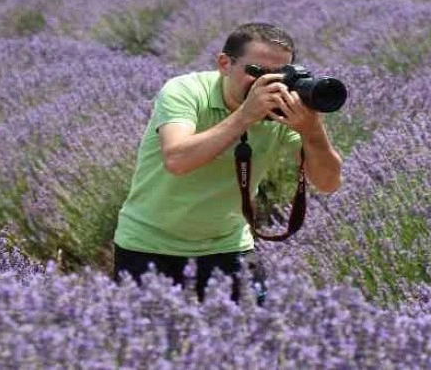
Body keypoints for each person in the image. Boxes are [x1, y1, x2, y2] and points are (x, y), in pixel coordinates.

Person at [112, 22, 343, 305]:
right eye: (258, 72)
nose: (267, 84)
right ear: (224, 64)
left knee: (250, 340)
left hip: (229, 245)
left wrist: (312, 130)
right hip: (149, 246)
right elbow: (177, 159)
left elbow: (328, 182)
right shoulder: (185, 91)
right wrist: (246, 115)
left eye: (279, 74)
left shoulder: (281, 110)